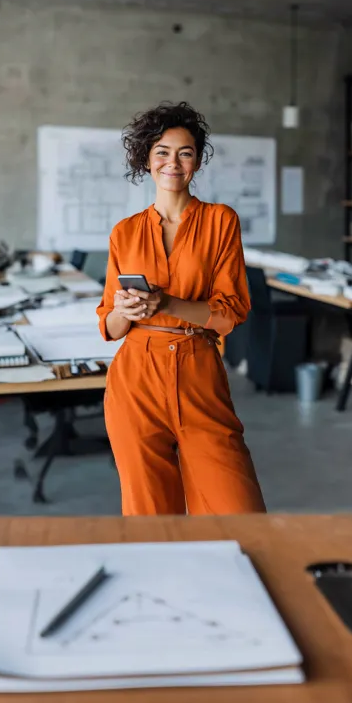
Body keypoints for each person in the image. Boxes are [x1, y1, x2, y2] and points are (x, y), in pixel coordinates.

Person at [96, 101, 266, 516]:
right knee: (149, 518)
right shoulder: (125, 232)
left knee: (239, 515)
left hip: (198, 373)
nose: (173, 162)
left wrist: (167, 303)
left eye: (185, 153)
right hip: (135, 379)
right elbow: (111, 326)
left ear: (196, 162)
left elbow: (229, 314)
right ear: (146, 160)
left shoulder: (221, 221)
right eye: (162, 152)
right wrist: (126, 309)